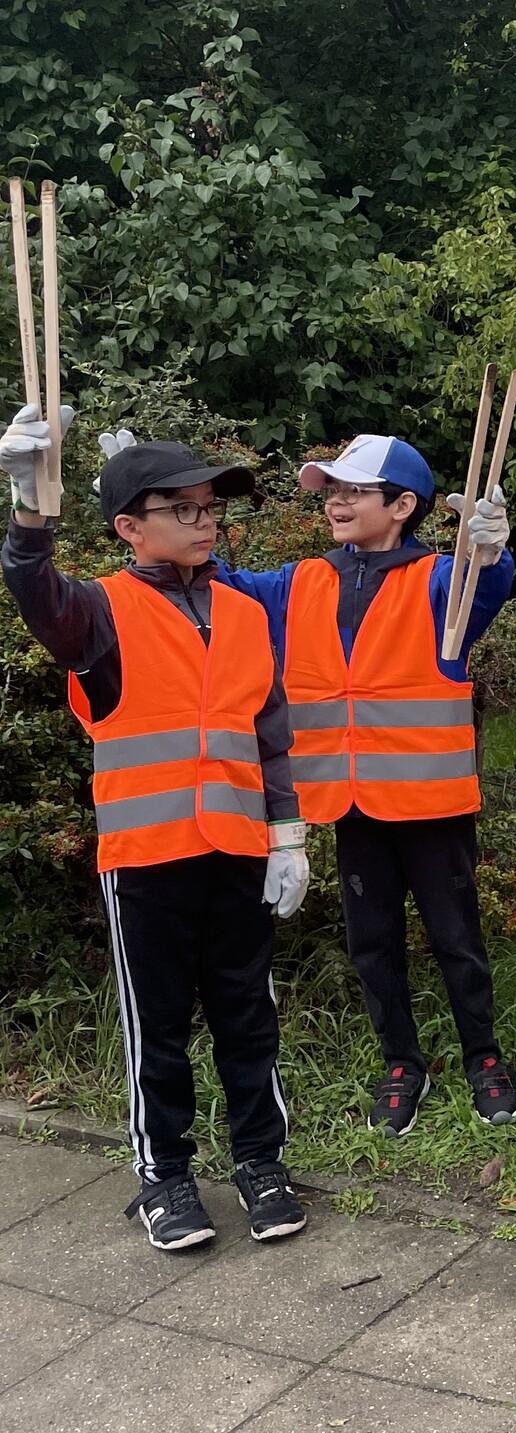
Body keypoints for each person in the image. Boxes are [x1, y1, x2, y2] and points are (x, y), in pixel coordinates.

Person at [2, 408, 309, 1250]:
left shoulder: (245, 613)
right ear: (130, 527)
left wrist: (287, 835)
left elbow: (270, 735)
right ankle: (164, 1177)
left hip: (239, 854)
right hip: (146, 860)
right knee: (159, 1026)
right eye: (184, 508)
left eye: (211, 507)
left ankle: (261, 1162)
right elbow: (37, 595)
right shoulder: (99, 615)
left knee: (251, 1016)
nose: (206, 520)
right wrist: (30, 514)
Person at [219, 434, 516, 1136]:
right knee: (372, 943)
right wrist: (144, 510)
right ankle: (400, 1064)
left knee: (456, 938)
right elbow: (221, 588)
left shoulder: (442, 579)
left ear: (402, 505)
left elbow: (487, 585)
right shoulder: (302, 582)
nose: (337, 501)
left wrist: (490, 550)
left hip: (430, 804)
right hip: (348, 806)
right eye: (332, 490)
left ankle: (483, 1057)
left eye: (353, 490)